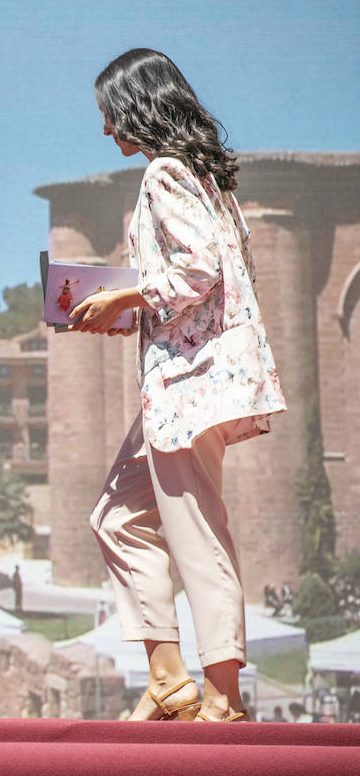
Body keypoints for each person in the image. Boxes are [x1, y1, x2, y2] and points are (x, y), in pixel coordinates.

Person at [73, 48, 286, 722]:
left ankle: (222, 696)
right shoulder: (206, 176)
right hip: (191, 383)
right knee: (116, 517)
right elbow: (206, 282)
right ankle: (170, 679)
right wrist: (128, 311)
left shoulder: (166, 172)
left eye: (111, 115)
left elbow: (199, 271)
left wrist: (124, 297)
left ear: (137, 106)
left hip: (190, 387)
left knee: (195, 532)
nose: (107, 131)